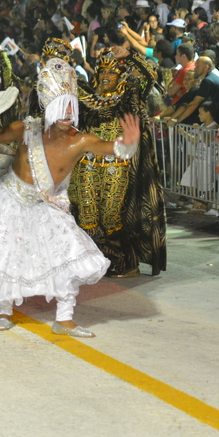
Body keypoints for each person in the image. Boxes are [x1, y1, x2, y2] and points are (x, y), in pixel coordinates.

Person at [0, 59, 140, 336]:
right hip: (7, 200)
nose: (68, 113)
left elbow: (114, 149)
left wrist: (128, 143)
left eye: (72, 106)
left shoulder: (81, 140)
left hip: (47, 204)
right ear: (48, 105)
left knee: (67, 256)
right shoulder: (25, 129)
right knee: (4, 256)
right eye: (62, 106)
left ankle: (64, 319)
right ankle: (4, 310)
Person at [71, 33, 167, 277]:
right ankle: (95, 260)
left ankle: (126, 262)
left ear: (121, 75)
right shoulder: (85, 96)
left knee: (112, 216)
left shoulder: (130, 93)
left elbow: (151, 75)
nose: (106, 76)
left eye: (112, 72)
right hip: (86, 165)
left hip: (118, 166)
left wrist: (131, 56)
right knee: (87, 215)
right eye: (102, 71)